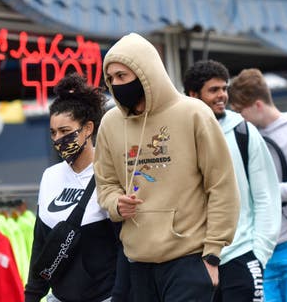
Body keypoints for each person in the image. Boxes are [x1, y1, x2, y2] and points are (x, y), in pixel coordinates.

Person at [93, 33, 240, 302]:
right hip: (136, 263)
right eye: (110, 78)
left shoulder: (193, 113)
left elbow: (221, 186)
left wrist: (212, 255)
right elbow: (106, 183)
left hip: (188, 260)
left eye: (122, 76)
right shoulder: (110, 123)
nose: (115, 84)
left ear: (145, 73)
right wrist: (116, 203)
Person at [183, 60, 280, 302]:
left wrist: (259, 253)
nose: (222, 96)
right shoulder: (179, 136)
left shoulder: (244, 132)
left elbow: (265, 195)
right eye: (213, 90)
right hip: (196, 260)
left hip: (242, 255)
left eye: (224, 89)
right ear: (193, 95)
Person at [228, 68, 287, 302]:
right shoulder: (243, 136)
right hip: (262, 245)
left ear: (258, 105)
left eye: (241, 111)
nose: (240, 118)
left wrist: (261, 193)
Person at [25, 73, 121, 302]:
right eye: (53, 133)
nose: (58, 139)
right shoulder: (50, 176)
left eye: (66, 131)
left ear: (88, 129)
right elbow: (41, 244)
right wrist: (31, 296)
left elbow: (125, 249)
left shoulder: (111, 172)